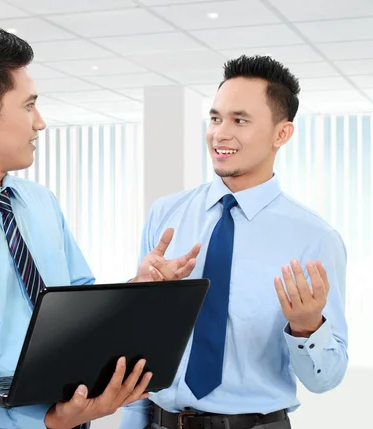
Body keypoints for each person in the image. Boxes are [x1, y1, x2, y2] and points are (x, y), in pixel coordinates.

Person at [0, 26, 200, 429]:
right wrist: (47, 419)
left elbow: (78, 307)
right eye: (29, 106)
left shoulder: (38, 202)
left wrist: (136, 292)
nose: (41, 123)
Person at [120, 55, 349, 429]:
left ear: (282, 134)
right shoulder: (167, 215)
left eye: (239, 120)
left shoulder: (314, 239)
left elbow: (326, 378)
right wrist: (137, 295)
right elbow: (135, 347)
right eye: (215, 118)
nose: (219, 133)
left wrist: (308, 326)